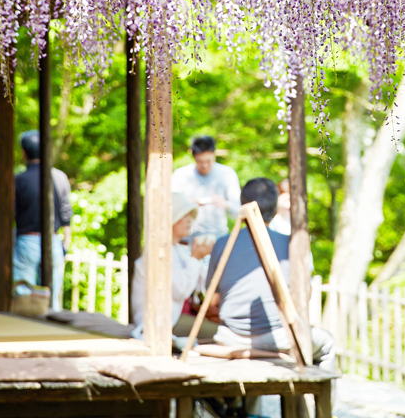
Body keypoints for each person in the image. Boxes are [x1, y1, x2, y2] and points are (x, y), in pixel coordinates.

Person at [206, 178, 334, 368]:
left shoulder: (222, 243)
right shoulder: (292, 244)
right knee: (327, 341)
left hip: (230, 336)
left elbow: (212, 301)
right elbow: (304, 296)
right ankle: (310, 396)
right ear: (275, 211)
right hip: (279, 337)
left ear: (243, 206)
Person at [129, 193, 217, 340]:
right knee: (221, 333)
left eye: (190, 215)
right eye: (184, 215)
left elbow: (199, 287)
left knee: (222, 331)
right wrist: (195, 258)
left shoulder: (177, 250)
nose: (189, 220)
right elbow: (181, 290)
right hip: (164, 323)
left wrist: (199, 257)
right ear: (170, 219)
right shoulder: (158, 252)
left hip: (176, 319)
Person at [13, 129, 73, 306]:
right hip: (54, 241)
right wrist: (66, 242)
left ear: (24, 153)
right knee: (53, 299)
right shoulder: (59, 177)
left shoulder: (18, 180)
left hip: (26, 240)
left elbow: (12, 213)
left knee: (24, 295)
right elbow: (66, 211)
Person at [171, 135, 240, 238]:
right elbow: (171, 208)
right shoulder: (180, 175)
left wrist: (226, 204)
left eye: (208, 161)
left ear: (214, 154)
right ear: (193, 156)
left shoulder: (227, 174)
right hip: (187, 241)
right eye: (200, 161)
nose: (205, 166)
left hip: (218, 238)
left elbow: (239, 211)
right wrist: (188, 204)